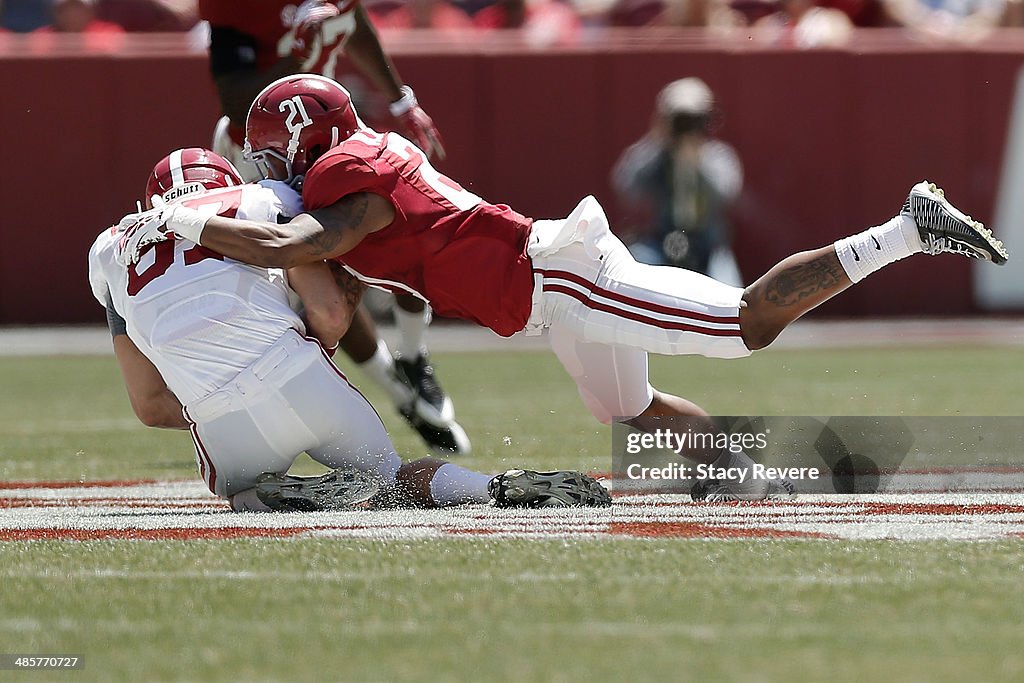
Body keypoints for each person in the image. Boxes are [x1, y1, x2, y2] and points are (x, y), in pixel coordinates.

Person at [115, 76, 1009, 502]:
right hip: (550, 296)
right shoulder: (357, 160)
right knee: (633, 411)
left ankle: (902, 229)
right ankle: (753, 481)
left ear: (305, 141)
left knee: (743, 325)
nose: (271, 171)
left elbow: (294, 243)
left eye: (275, 154)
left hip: (568, 278)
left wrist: (188, 221)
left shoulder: (343, 178)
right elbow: (341, 276)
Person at [89, 147, 611, 512]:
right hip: (298, 375)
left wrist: (219, 400)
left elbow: (150, 405)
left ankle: (258, 494)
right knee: (394, 481)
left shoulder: (108, 249)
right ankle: (491, 489)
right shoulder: (262, 199)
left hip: (215, 417)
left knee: (238, 491)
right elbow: (332, 316)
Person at [198, 0, 468, 455]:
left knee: (406, 220)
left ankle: (413, 358)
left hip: (330, 134)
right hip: (263, 149)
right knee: (315, 276)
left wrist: (400, 98)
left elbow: (353, 22)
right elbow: (236, 101)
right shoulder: (238, 9)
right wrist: (301, 56)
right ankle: (396, 389)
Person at [612, 77, 743, 284]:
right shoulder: (655, 156)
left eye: (693, 120)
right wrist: (657, 139)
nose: (686, 127)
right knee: (631, 275)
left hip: (708, 249)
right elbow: (626, 187)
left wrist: (697, 160)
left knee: (732, 293)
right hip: (661, 244)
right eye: (680, 120)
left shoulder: (717, 157)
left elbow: (727, 194)